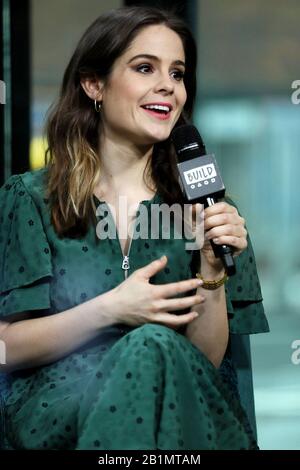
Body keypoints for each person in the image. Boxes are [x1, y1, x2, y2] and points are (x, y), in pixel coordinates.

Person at [0, 6, 269, 450]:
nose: (168, 85)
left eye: (178, 73)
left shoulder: (209, 211)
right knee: (148, 344)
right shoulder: (29, 199)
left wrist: (211, 267)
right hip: (62, 412)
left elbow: (204, 363)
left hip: (181, 415)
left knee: (154, 349)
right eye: (145, 68)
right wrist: (111, 309)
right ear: (94, 85)